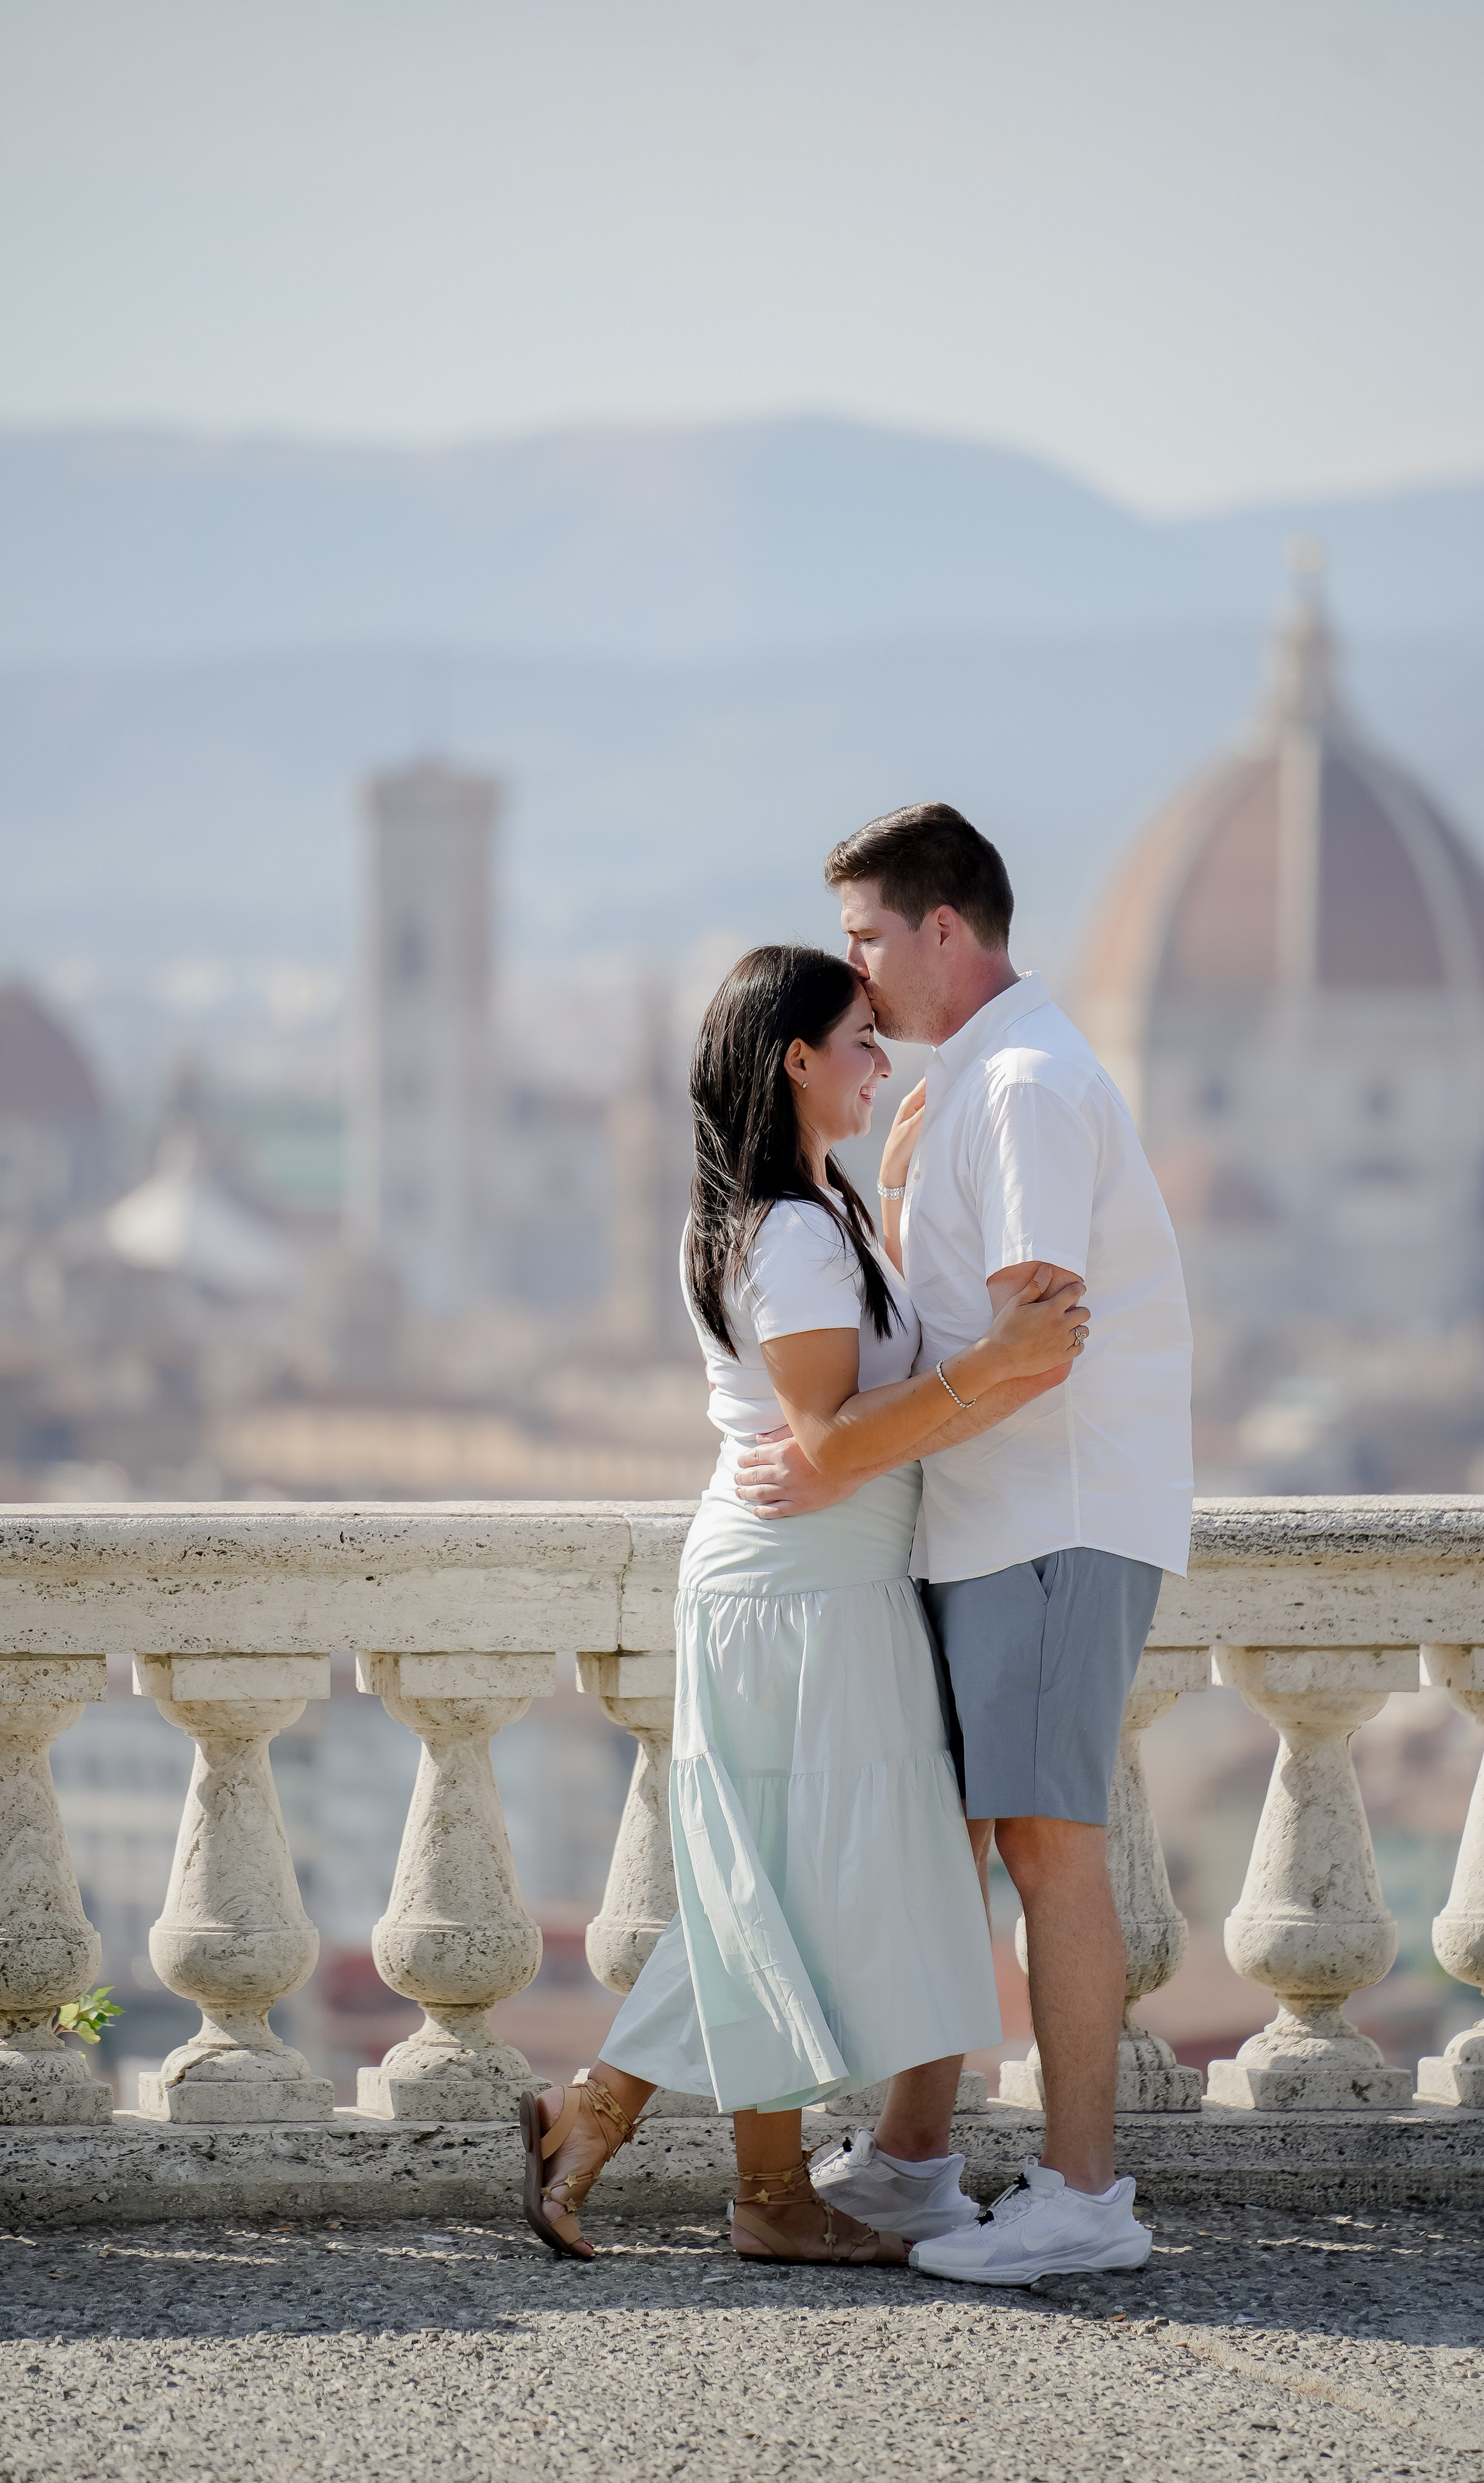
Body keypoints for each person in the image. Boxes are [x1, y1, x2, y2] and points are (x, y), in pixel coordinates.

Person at [519, 943, 1091, 2266]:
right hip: (793, 1593)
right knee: (774, 1886)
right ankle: (756, 2194)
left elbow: (839, 1428)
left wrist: (897, 1187)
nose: (880, 1066)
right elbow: (828, 1441)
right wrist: (1000, 1365)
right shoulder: (779, 1230)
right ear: (794, 1061)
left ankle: (619, 2128)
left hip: (825, 1583)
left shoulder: (809, 1208)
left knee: (776, 1886)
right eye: (858, 1046)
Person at [736, 803, 1194, 2285]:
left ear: (946, 928)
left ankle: (1080, 2198)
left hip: (1047, 1514)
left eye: (867, 935)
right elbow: (976, 1341)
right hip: (990, 1516)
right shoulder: (977, 1086)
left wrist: (839, 1459)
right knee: (960, 1844)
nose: (853, 974)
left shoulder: (1022, 1090)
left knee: (1050, 1849)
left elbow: (1033, 1344)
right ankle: (920, 2162)